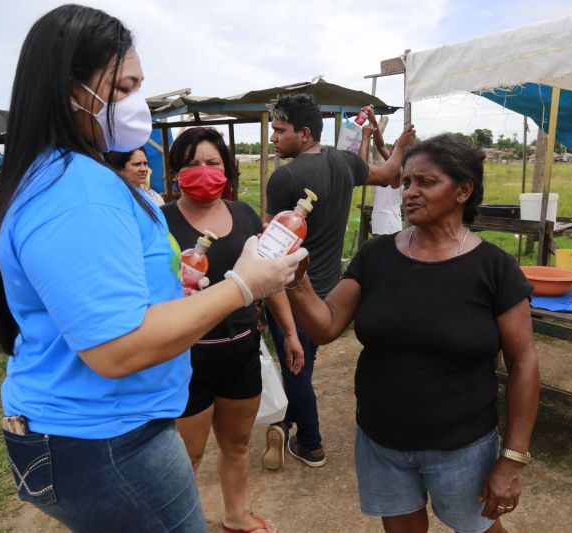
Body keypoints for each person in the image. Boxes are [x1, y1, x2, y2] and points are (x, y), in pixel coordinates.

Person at [0, 6, 306, 532]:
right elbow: (119, 348)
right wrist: (244, 285)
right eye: (122, 88)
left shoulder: (61, 177)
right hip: (110, 439)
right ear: (71, 89)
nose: (137, 102)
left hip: (92, 432)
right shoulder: (79, 193)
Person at [284, 134, 540, 533]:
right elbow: (327, 324)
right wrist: (296, 283)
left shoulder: (494, 268)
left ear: (463, 190)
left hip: (463, 447)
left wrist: (512, 458)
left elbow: (524, 363)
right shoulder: (376, 255)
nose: (410, 193)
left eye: (426, 182)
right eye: (405, 183)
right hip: (380, 440)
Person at [161, 126, 303, 533]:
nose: (202, 171)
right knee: (188, 454)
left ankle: (235, 514)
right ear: (175, 174)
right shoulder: (159, 222)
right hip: (188, 356)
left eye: (212, 163)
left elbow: (269, 279)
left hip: (242, 351)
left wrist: (290, 332)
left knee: (237, 444)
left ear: (227, 169)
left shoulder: (242, 214)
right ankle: (180, 524)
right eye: (191, 164)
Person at [261, 93, 415, 470]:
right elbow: (388, 172)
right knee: (302, 360)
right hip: (328, 291)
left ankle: (310, 443)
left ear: (305, 133)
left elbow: (269, 247)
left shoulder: (285, 178)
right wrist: (396, 146)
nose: (272, 138)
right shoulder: (343, 162)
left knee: (295, 366)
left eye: (280, 131)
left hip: (293, 290)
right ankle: (285, 420)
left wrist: (255, 298)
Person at [358, 105, 410, 236]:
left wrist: (365, 138)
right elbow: (380, 145)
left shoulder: (398, 172)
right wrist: (374, 121)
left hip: (387, 226)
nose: (391, 150)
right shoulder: (396, 164)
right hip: (384, 223)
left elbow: (363, 171)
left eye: (396, 147)